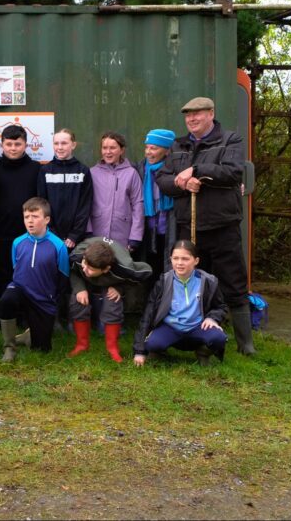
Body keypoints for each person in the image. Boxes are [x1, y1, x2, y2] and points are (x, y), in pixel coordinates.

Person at [156, 96, 255, 355]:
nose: (192, 119)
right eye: (188, 115)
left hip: (223, 226)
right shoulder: (178, 145)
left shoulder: (230, 140)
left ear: (211, 113)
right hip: (189, 228)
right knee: (195, 284)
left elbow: (232, 172)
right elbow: (163, 179)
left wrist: (196, 170)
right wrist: (181, 183)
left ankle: (246, 344)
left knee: (233, 282)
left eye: (197, 114)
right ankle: (201, 339)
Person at [133, 240, 227, 366]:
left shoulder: (208, 281)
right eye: (175, 258)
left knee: (218, 338)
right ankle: (158, 351)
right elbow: (148, 315)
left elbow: (221, 306)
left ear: (196, 261)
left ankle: (203, 352)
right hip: (171, 328)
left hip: (197, 327)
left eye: (185, 259)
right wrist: (139, 351)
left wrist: (212, 318)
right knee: (152, 344)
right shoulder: (163, 281)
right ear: (170, 259)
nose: (179, 263)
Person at [0, 197, 69, 362]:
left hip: (43, 298)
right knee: (6, 300)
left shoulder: (58, 246)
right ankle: (9, 348)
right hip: (20, 289)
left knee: (41, 349)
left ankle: (27, 336)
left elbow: (63, 278)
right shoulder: (18, 242)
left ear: (47, 219)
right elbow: (16, 268)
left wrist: (53, 300)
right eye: (26, 217)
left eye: (35, 216)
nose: (30, 221)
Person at [36, 128, 92, 328]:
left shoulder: (83, 171)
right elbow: (42, 204)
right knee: (52, 277)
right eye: (56, 143)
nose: (60, 147)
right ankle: (53, 318)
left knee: (73, 276)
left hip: (74, 238)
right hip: (51, 236)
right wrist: (51, 234)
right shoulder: (45, 171)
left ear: (73, 145)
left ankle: (73, 319)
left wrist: (74, 235)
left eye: (64, 143)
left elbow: (85, 206)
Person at [66, 237, 152, 363]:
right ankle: (81, 345)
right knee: (78, 301)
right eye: (84, 264)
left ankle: (113, 348)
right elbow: (73, 271)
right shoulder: (77, 256)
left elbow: (146, 272)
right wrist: (79, 288)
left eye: (91, 269)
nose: (85, 269)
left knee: (112, 304)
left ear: (106, 269)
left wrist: (119, 288)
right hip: (84, 279)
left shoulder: (125, 267)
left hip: (111, 280)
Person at [0, 124, 39, 320]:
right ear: (2, 145)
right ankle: (4, 317)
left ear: (25, 145)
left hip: (28, 235)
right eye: (9, 144)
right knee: (2, 275)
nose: (13, 148)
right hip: (0, 234)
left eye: (17, 144)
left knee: (27, 275)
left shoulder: (36, 169)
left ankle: (26, 315)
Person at [89, 131, 144, 248]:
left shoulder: (131, 173)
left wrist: (135, 236)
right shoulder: (92, 173)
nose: (108, 152)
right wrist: (87, 231)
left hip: (122, 235)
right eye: (104, 148)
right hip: (96, 234)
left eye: (112, 148)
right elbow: (85, 204)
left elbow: (138, 205)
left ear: (122, 150)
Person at [139, 128, 177, 282]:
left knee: (168, 264)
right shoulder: (141, 169)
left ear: (167, 151)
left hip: (170, 227)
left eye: (154, 148)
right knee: (149, 268)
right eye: (147, 147)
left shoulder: (175, 170)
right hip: (147, 229)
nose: (148, 152)